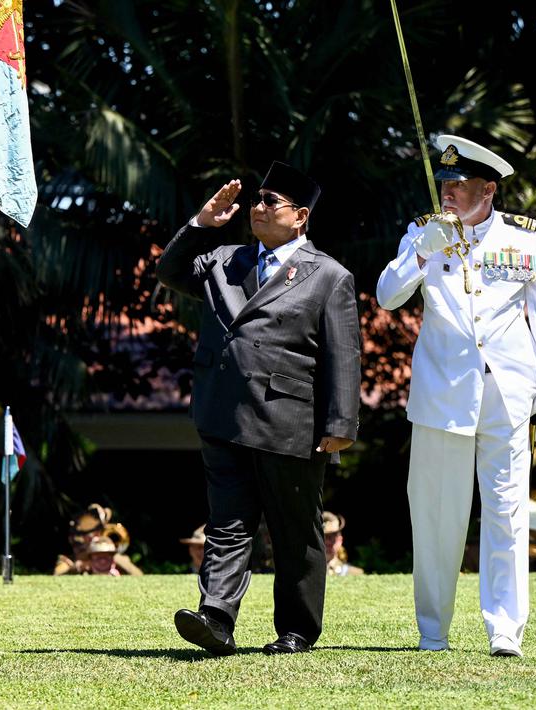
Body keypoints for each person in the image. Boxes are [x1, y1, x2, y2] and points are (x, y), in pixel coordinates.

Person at [157, 162, 361, 656]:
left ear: (301, 216)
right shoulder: (225, 258)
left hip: (289, 419)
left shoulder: (330, 276)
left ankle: (297, 629)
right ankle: (216, 618)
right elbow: (170, 272)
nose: (259, 207)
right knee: (227, 521)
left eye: (271, 201)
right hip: (222, 412)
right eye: (257, 199)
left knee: (295, 531)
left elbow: (344, 354)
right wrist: (202, 224)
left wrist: (340, 424)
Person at [376, 135, 536, 658]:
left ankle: (505, 630)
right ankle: (432, 631)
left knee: (506, 512)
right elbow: (386, 297)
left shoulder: (527, 238)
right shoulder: (422, 232)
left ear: (490, 189)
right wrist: (421, 250)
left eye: (459, 186)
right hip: (442, 395)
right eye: (444, 185)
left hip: (507, 393)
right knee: (437, 515)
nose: (449, 195)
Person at [323, 512, 364, 576]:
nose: (328, 541)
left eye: (333, 535)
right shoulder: (305, 572)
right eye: (324, 536)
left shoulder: (354, 573)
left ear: (340, 540)